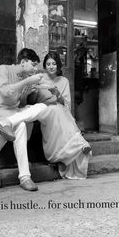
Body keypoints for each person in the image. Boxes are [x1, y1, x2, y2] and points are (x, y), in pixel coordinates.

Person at [0, 48, 50, 192]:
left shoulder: (24, 79)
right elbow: (5, 92)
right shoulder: (3, 69)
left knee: (43, 107)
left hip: (12, 116)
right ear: (23, 62)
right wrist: (27, 81)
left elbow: (18, 104)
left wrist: (26, 94)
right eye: (33, 65)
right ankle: (25, 177)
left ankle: (7, 124)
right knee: (20, 125)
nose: (35, 69)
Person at [37, 51, 92, 179]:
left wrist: (57, 93)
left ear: (58, 65)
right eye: (48, 64)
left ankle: (80, 145)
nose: (51, 66)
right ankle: (74, 147)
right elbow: (36, 98)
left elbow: (66, 104)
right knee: (57, 111)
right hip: (45, 111)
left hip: (60, 110)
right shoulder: (40, 79)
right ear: (45, 66)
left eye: (54, 64)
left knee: (62, 111)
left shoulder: (64, 81)